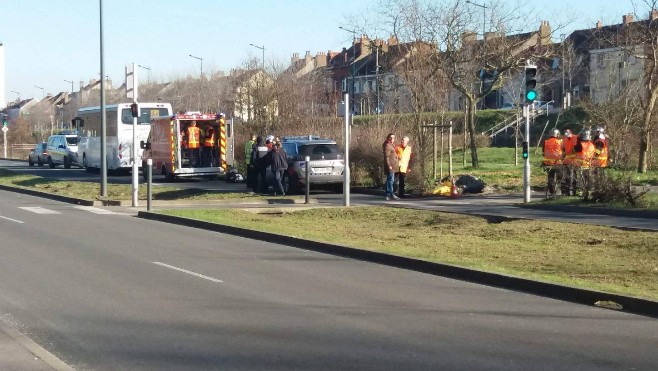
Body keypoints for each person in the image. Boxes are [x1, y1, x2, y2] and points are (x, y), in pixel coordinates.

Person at [574, 129, 596, 198]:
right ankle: (589, 192)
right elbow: (594, 153)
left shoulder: (580, 144)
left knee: (581, 179)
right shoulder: (592, 145)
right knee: (588, 179)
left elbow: (574, 150)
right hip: (589, 165)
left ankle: (581, 192)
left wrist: (577, 140)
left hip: (580, 165)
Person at [542, 128, 563, 198]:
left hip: (548, 163)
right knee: (559, 177)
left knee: (550, 177)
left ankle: (552, 191)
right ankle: (557, 187)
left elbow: (543, 153)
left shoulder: (546, 142)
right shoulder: (560, 142)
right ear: (557, 134)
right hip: (558, 163)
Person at [561, 128, 578, 196]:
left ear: (570, 132)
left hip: (575, 160)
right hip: (568, 160)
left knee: (574, 176)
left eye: (567, 132)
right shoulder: (564, 140)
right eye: (565, 132)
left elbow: (577, 148)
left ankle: (574, 191)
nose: (565, 133)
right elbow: (563, 150)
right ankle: (566, 192)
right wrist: (562, 156)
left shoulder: (575, 137)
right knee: (567, 176)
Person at [383, 133, 399, 201]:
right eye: (391, 138)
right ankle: (390, 194)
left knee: (390, 180)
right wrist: (389, 165)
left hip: (394, 166)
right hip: (391, 166)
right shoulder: (387, 145)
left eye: (393, 138)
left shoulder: (391, 145)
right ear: (388, 138)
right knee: (390, 180)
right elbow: (387, 157)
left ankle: (389, 194)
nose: (392, 139)